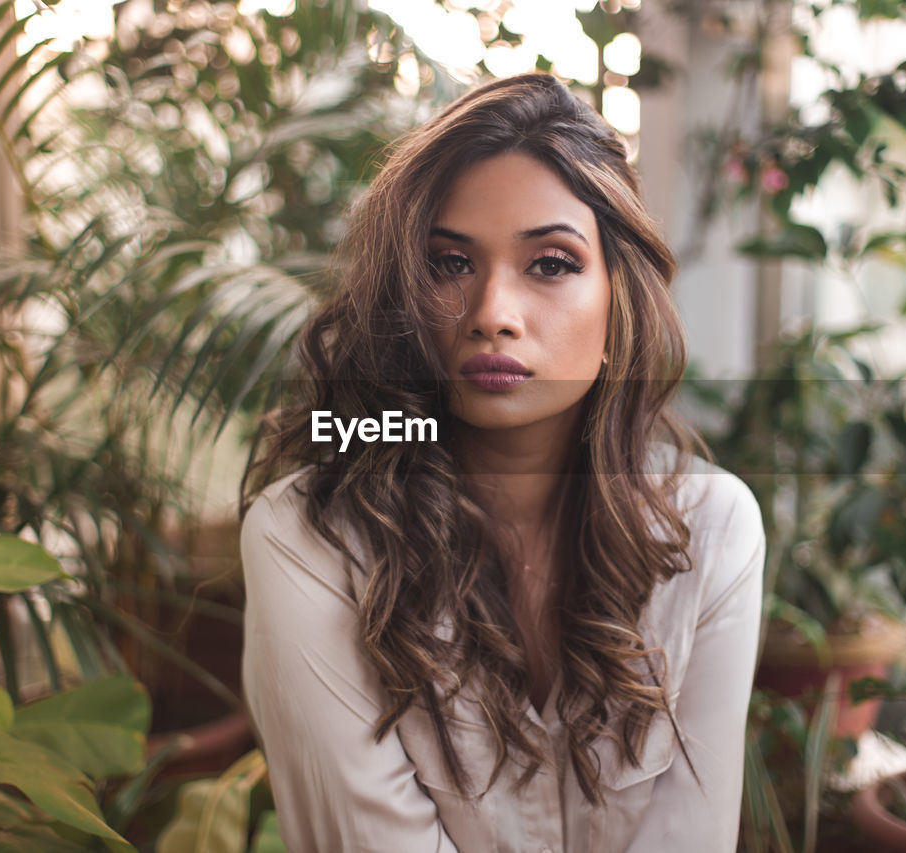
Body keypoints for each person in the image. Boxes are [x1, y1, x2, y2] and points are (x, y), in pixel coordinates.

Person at [239, 72, 765, 852]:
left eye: (550, 263)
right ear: (404, 297)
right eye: (450, 264)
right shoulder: (309, 536)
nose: (492, 314)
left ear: (621, 299)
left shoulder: (711, 530)